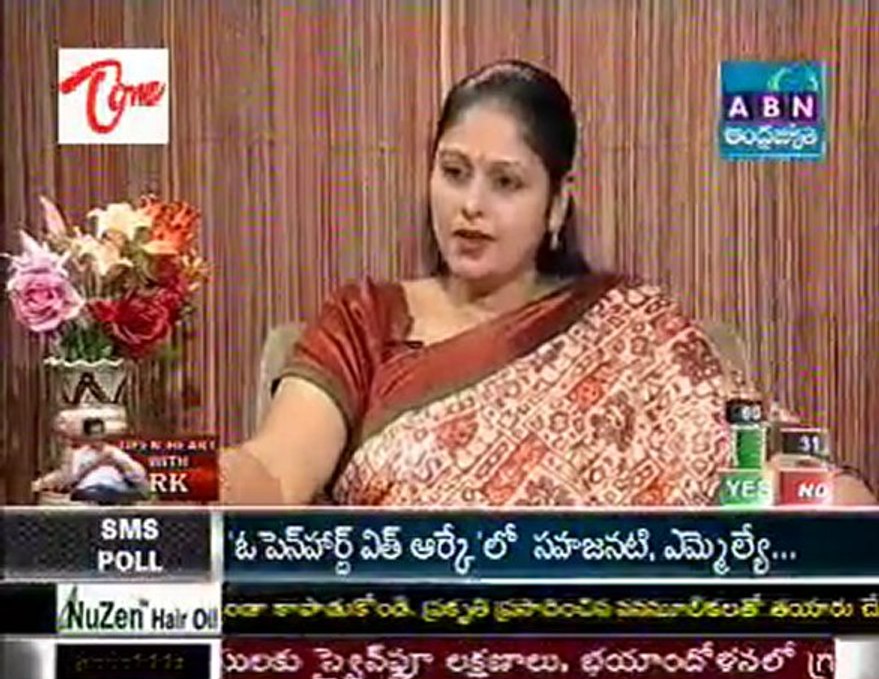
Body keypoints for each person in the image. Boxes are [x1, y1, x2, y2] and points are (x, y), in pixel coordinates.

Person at [220, 59, 874, 507]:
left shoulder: (631, 331)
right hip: (406, 635)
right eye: (453, 172)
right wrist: (177, 480)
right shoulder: (366, 319)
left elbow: (760, 464)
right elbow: (275, 471)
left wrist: (824, 498)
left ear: (556, 203)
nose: (471, 205)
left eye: (506, 182)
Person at [34, 417, 151, 505]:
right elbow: (71, 479)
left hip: (115, 490)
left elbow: (139, 476)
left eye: (100, 432)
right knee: (92, 494)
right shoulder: (79, 454)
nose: (98, 437)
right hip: (89, 491)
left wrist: (119, 463)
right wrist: (96, 462)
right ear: (87, 436)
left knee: (136, 493)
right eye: (93, 433)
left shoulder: (114, 452)